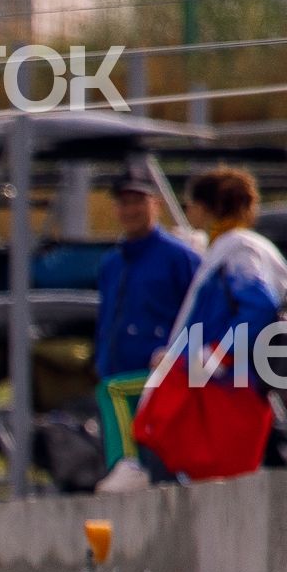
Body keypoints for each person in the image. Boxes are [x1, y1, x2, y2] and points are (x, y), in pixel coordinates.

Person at [115, 166, 287, 489]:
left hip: (225, 382)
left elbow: (259, 306)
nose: (188, 212)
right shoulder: (227, 247)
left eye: (191, 204)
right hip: (212, 377)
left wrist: (216, 355)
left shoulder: (239, 250)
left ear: (206, 207)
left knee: (177, 450)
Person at [90, 170, 203, 484]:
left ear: (155, 204)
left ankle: (128, 468)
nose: (130, 210)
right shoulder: (112, 263)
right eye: (124, 203)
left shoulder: (179, 257)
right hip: (120, 375)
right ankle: (126, 469)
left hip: (161, 377)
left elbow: (199, 313)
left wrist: (180, 356)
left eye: (138, 201)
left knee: (162, 463)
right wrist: (100, 361)